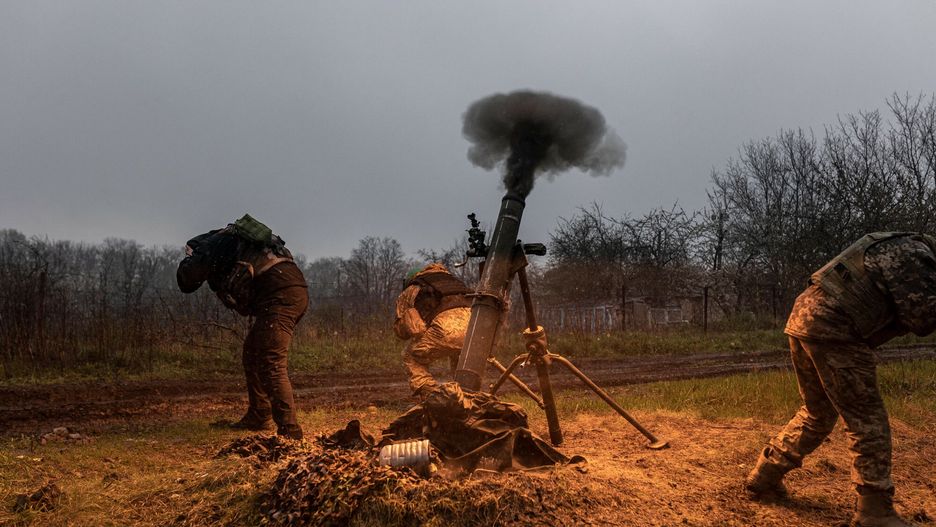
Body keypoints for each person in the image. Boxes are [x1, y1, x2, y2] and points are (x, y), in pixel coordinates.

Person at [745, 232, 936, 527]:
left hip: (804, 317)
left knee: (817, 413)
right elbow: (923, 317)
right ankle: (875, 510)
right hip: (833, 326)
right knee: (867, 419)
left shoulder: (899, 244)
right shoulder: (914, 254)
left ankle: (766, 474)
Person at [176, 214, 308, 440]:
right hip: (291, 290)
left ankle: (290, 432)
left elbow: (187, 280)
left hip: (278, 296)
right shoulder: (236, 240)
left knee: (270, 361)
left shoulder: (211, 245)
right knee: (253, 352)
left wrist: (191, 259)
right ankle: (259, 414)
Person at [393, 263, 473, 398]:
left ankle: (432, 395)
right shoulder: (456, 283)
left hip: (444, 332)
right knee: (460, 358)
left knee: (411, 356)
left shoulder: (414, 288)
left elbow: (410, 330)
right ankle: (466, 393)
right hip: (474, 332)